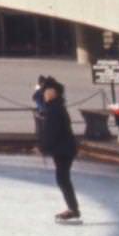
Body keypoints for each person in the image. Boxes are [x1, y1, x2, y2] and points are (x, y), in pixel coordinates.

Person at [34, 77, 81, 223]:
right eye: (45, 91)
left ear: (55, 93)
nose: (45, 94)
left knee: (63, 179)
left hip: (64, 149)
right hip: (63, 148)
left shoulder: (54, 109)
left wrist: (43, 147)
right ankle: (73, 208)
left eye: (48, 91)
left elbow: (52, 131)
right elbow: (37, 98)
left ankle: (73, 210)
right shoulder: (54, 106)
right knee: (62, 178)